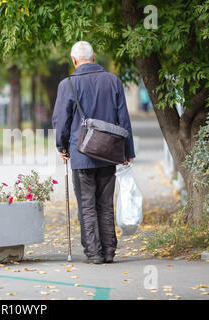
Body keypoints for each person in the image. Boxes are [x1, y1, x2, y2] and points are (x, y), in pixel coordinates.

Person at [52, 41, 135, 264]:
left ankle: (94, 252)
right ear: (94, 57)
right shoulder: (113, 81)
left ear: (74, 60)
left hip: (81, 155)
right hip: (109, 153)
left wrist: (61, 147)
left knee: (87, 205)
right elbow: (123, 118)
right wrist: (128, 151)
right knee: (105, 204)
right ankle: (109, 250)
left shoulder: (67, 84)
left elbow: (62, 121)